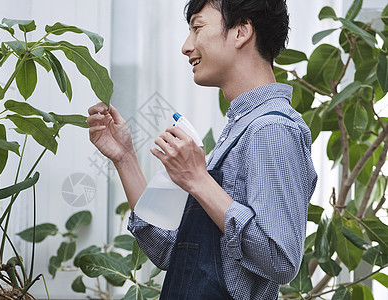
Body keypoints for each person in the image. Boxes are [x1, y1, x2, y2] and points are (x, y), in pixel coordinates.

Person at [87, 0, 317, 299]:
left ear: (241, 31)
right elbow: (175, 252)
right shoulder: (240, 129)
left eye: (197, 28)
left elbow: (279, 259)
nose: (186, 46)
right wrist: (125, 157)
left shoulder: (270, 130)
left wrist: (198, 179)